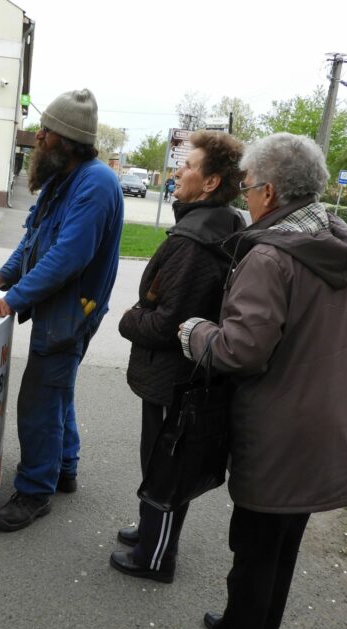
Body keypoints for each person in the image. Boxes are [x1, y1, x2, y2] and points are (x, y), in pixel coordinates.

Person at [169, 133, 347, 629]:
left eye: (250, 186)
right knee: (280, 548)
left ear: (272, 193)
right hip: (319, 424)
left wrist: (194, 332)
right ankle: (249, 628)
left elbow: (240, 350)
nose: (246, 196)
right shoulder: (328, 238)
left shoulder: (270, 257)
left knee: (254, 548)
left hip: (279, 428)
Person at [0, 89, 124, 532]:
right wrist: (4, 276)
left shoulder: (96, 183)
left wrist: (13, 298)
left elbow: (66, 257)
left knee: (40, 396)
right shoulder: (65, 177)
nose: (38, 137)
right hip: (60, 306)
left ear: (67, 139)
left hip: (73, 311)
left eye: (46, 132)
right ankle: (65, 468)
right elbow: (35, 235)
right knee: (57, 387)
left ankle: (36, 490)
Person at [109, 130, 244, 584]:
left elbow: (170, 324)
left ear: (210, 183)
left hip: (175, 376)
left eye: (189, 166)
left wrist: (129, 320)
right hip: (186, 374)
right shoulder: (220, 224)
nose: (179, 171)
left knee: (165, 464)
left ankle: (155, 556)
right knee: (164, 459)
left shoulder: (193, 240)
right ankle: (152, 532)